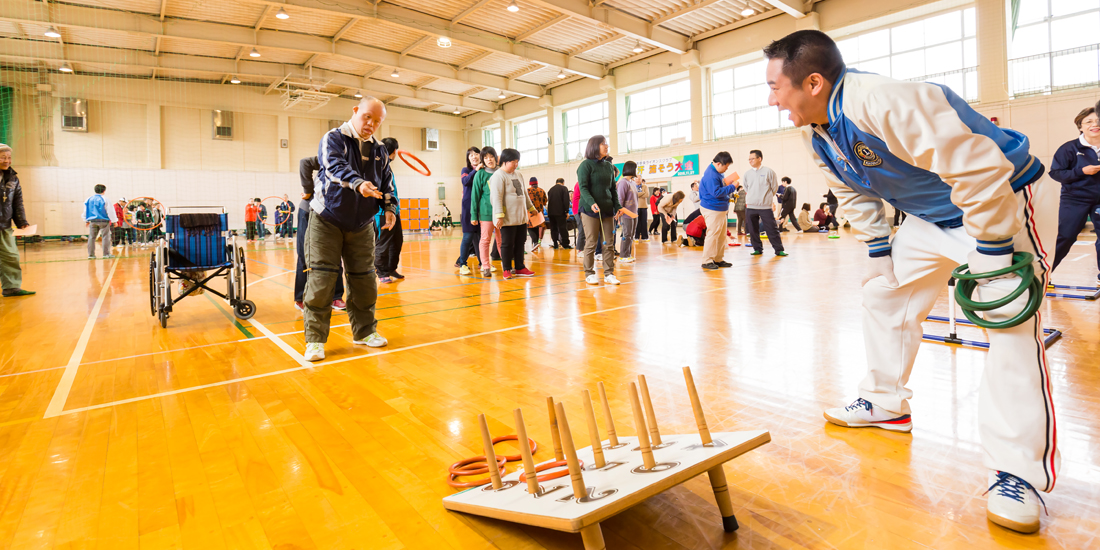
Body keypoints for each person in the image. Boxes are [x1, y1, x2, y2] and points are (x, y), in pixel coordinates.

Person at [766, 29, 1057, 533]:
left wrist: (989, 248)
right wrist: (880, 247)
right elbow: (849, 190)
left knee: (1009, 326)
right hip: (928, 217)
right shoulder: (816, 129)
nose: (771, 99)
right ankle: (885, 401)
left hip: (1000, 202)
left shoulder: (881, 101)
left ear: (813, 82)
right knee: (884, 293)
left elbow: (981, 169)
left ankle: (1019, 472)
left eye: (775, 87)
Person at [303, 96, 396, 362]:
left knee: (365, 280)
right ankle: (315, 340)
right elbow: (334, 168)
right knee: (321, 280)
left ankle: (365, 332)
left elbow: (387, 184)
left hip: (362, 225)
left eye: (377, 121)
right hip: (327, 220)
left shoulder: (379, 150)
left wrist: (390, 209)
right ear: (355, 111)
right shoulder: (333, 138)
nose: (371, 124)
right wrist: (358, 184)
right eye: (368, 116)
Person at [1049, 106, 1100, 284]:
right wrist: (1081, 171)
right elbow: (1055, 173)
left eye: (1098, 121)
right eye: (1089, 121)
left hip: (1099, 201)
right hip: (1075, 199)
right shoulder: (1069, 148)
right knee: (1065, 236)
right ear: (1080, 126)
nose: (1095, 124)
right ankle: (1042, 273)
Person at [579, 135, 633, 285]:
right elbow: (583, 188)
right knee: (590, 242)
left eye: (606, 144)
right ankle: (589, 273)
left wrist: (618, 206)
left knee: (609, 243)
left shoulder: (609, 167)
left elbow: (612, 190)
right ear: (595, 146)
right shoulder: (585, 165)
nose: (607, 146)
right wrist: (591, 203)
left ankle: (609, 273)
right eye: (604, 144)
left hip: (607, 210)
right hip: (590, 210)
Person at [295, 156, 345, 312]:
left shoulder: (362, 163)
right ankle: (301, 298)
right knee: (305, 254)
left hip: (334, 213)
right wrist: (308, 190)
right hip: (310, 210)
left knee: (335, 254)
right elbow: (305, 162)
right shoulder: (333, 152)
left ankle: (335, 297)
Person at [490, 148, 537, 279]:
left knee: (520, 242)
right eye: (513, 162)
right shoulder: (498, 176)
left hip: (521, 217)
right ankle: (506, 269)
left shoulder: (519, 175)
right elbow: (496, 197)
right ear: (504, 161)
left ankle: (520, 267)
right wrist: (499, 215)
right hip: (507, 217)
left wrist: (531, 208)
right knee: (507, 243)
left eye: (517, 162)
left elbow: (524, 194)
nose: (516, 165)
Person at [0, 144, 33, 297]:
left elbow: (17, 202)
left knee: (11, 256)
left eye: (9, 158)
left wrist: (21, 221)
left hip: (4, 224)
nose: (7, 161)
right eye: (3, 157)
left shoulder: (13, 178)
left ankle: (11, 287)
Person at [698, 152, 741, 270]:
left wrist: (728, 183)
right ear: (718, 164)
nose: (727, 168)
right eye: (726, 166)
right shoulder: (711, 175)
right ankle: (707, 261)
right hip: (713, 208)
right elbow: (716, 192)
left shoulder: (717, 172)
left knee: (721, 235)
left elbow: (720, 186)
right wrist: (733, 187)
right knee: (713, 234)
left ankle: (718, 258)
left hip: (719, 208)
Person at [741, 150, 786, 256]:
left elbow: (774, 188)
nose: (750, 161)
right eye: (749, 159)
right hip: (751, 206)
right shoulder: (747, 174)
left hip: (765, 207)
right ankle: (757, 248)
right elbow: (746, 188)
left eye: (752, 158)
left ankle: (779, 250)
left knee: (772, 228)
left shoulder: (769, 172)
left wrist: (766, 199)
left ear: (759, 159)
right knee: (752, 229)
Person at [375, 137, 405, 283]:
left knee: (397, 241)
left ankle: (391, 268)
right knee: (383, 242)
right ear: (393, 151)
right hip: (381, 213)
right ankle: (381, 272)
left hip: (394, 210)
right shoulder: (377, 166)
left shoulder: (387, 166)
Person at [470, 146, 503, 277]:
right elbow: (475, 196)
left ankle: (506, 265)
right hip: (486, 213)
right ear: (483, 160)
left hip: (502, 213)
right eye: (485, 157)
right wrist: (474, 215)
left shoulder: (502, 172)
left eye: (491, 156)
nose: (489, 159)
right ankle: (485, 266)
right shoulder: (480, 174)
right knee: (485, 240)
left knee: (502, 241)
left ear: (496, 157)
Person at [456, 147, 483, 274]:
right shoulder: (466, 170)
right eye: (471, 155)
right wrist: (475, 171)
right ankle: (462, 264)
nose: (474, 156)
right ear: (468, 158)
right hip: (468, 207)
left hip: (481, 207)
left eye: (476, 154)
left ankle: (483, 262)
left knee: (480, 237)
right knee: (468, 236)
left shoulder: (484, 170)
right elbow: (465, 182)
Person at [83, 184, 117, 259]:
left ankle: (91, 255)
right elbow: (110, 211)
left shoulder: (89, 199)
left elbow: (85, 210)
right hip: (103, 221)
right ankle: (106, 254)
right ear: (104, 191)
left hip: (92, 221)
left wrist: (86, 220)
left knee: (91, 237)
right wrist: (114, 221)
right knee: (105, 237)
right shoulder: (105, 199)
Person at [616, 161, 640, 263]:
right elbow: (620, 199)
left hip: (634, 213)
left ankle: (628, 254)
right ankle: (623, 256)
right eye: (635, 168)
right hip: (626, 213)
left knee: (631, 235)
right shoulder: (623, 182)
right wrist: (619, 213)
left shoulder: (632, 183)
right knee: (627, 234)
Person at [547, 177, 571, 249]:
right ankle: (565, 244)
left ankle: (555, 243)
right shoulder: (564, 188)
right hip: (560, 212)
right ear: (563, 182)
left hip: (551, 212)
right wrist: (566, 211)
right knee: (563, 228)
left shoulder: (550, 190)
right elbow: (566, 201)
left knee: (553, 228)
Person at [526, 177, 548, 251]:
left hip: (530, 212)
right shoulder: (542, 191)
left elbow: (524, 201)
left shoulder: (528, 191)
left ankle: (535, 242)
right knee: (537, 227)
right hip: (540, 213)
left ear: (530, 184)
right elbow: (545, 202)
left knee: (530, 227)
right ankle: (536, 242)